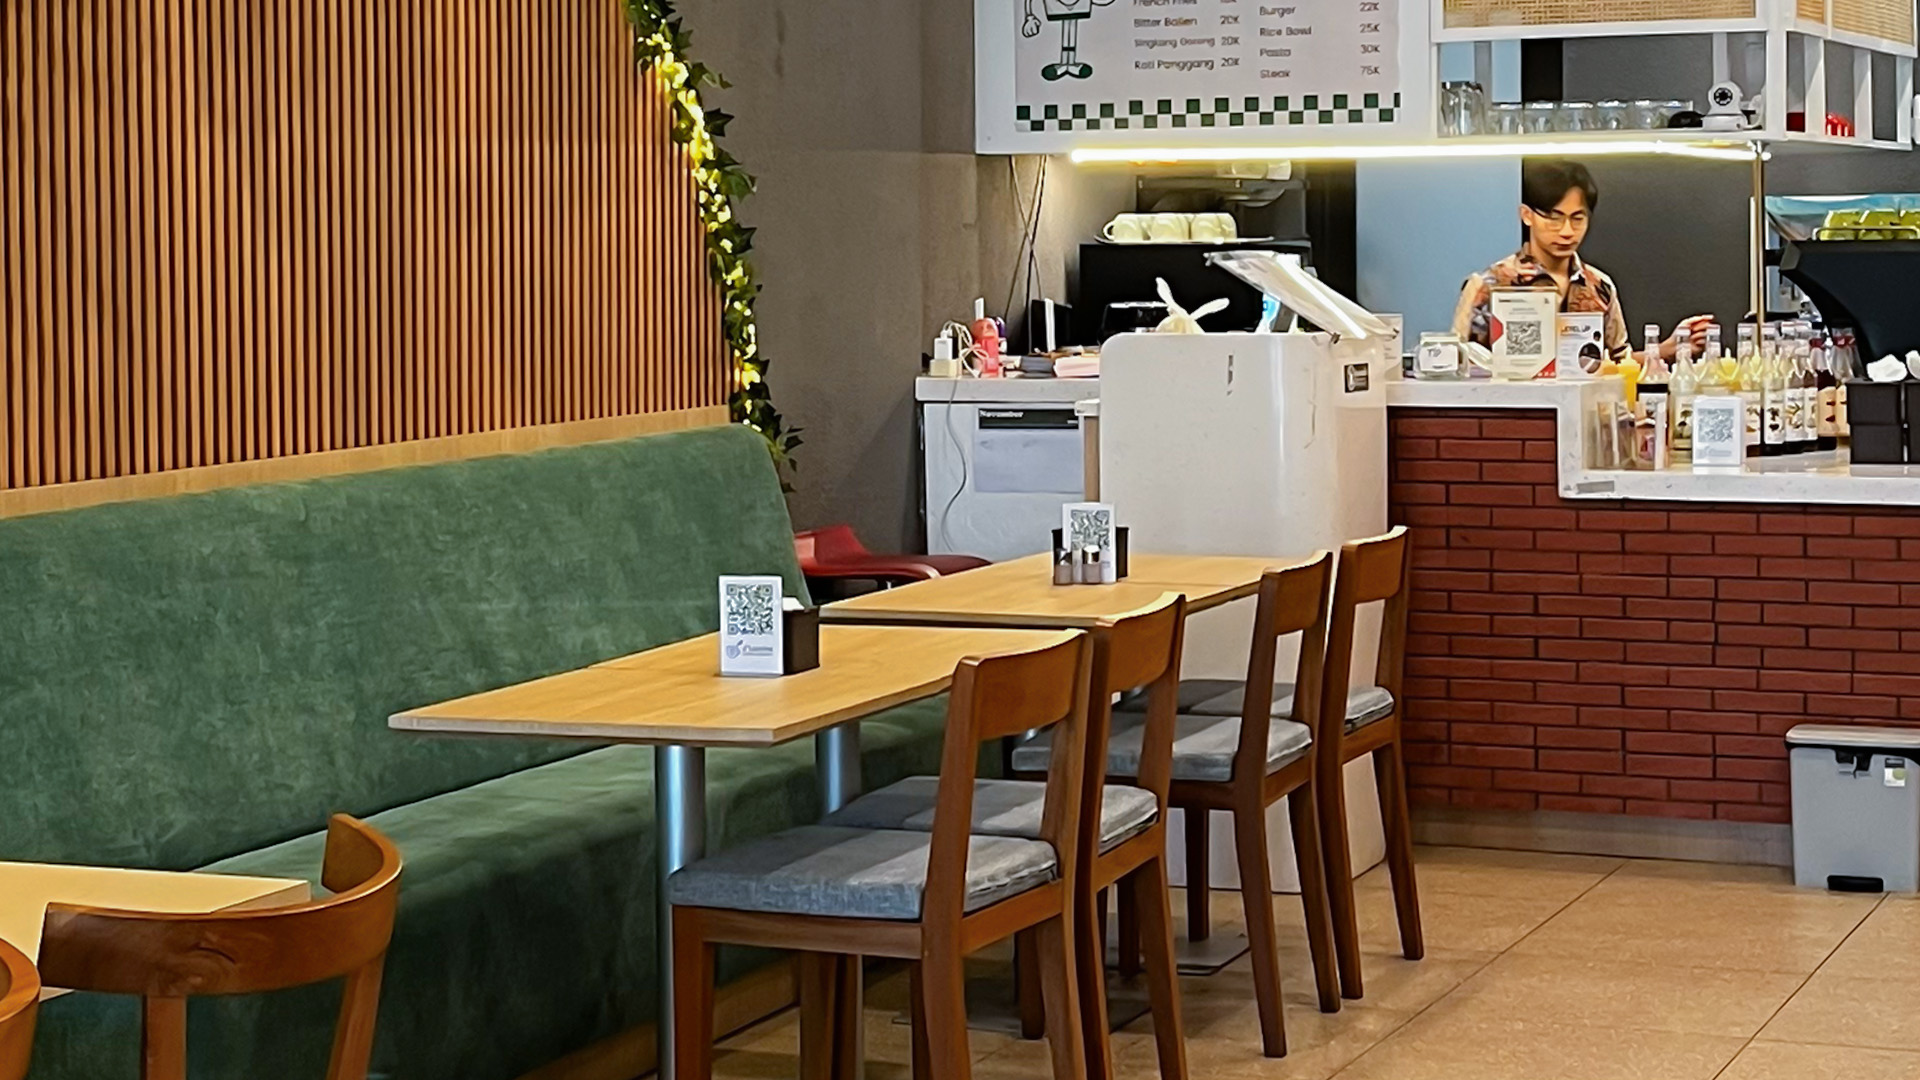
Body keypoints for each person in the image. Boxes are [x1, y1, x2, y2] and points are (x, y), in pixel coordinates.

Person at [1453, 160, 1708, 366]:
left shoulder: (1599, 286)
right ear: (1527, 215)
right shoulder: (1489, 285)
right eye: (1554, 218)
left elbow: (1617, 363)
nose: (1567, 231)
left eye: (1577, 219)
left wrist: (1666, 349)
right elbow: (1460, 365)